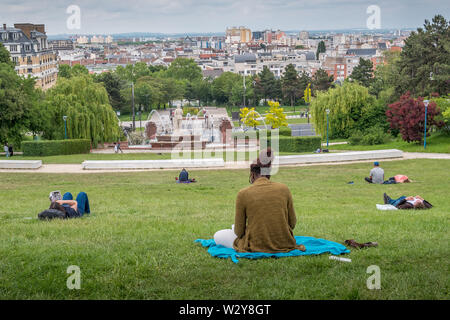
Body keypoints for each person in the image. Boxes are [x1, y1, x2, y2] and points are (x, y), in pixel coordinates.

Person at [214, 148, 305, 253]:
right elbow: (292, 223)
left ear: (252, 174)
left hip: (255, 245)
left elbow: (239, 232)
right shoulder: (284, 189)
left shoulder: (243, 193)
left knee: (218, 235)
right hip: (285, 242)